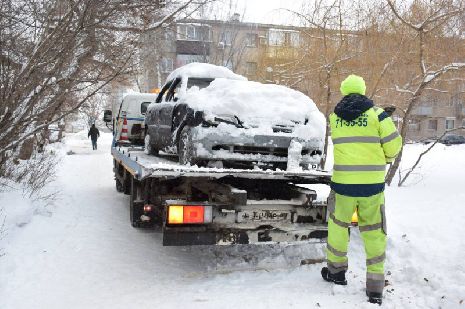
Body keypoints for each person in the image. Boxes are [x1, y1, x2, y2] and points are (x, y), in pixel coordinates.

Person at [321, 75, 402, 305]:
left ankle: (336, 274)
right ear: (364, 91)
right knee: (374, 231)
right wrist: (384, 159)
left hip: (343, 184)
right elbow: (395, 144)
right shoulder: (377, 115)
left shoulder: (335, 118)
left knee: (338, 227)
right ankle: (375, 287)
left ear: (344, 91)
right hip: (371, 186)